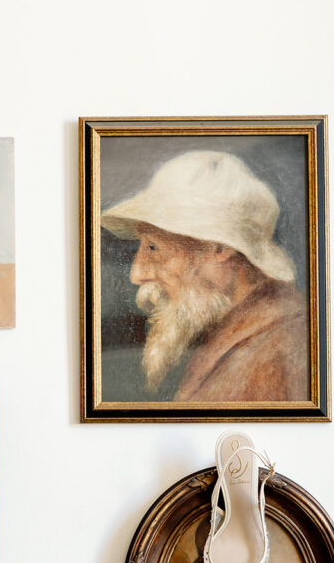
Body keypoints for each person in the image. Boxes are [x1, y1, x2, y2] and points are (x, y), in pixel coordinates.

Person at [101, 150, 309, 402]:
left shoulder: (279, 347)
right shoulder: (229, 330)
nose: (137, 274)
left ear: (218, 247)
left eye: (153, 248)